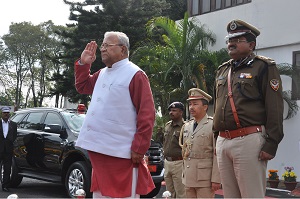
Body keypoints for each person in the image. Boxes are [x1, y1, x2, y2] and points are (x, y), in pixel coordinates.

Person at [74, 31, 155, 198]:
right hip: (99, 148)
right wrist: (83, 63)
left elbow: (146, 114)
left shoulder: (135, 74)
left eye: (107, 46)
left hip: (121, 152)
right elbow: (83, 87)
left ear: (122, 50)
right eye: (102, 45)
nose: (102, 49)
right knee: (99, 195)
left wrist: (139, 148)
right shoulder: (102, 73)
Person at [213, 19, 284, 198]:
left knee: (251, 195)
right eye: (229, 40)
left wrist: (271, 143)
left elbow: (274, 107)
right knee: (230, 195)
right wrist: (216, 140)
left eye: (237, 40)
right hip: (223, 141)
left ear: (251, 44)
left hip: (249, 139)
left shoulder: (263, 67)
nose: (231, 43)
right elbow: (218, 107)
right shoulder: (223, 70)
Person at [179, 88, 220, 198]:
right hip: (188, 177)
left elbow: (217, 154)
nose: (191, 107)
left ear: (205, 107)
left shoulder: (212, 125)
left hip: (204, 179)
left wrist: (216, 179)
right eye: (190, 104)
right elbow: (185, 152)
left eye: (195, 104)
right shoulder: (187, 126)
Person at [163, 101, 186, 198]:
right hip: (167, 162)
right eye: (170, 111)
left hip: (179, 162)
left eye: (174, 110)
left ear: (181, 112)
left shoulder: (185, 127)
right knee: (169, 193)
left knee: (181, 193)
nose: (171, 113)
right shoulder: (168, 125)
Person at [0, 106, 17, 192]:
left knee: (7, 169)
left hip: (8, 150)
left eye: (7, 113)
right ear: (1, 114)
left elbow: (14, 136)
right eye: (4, 113)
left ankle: (5, 185)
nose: (6, 114)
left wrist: (9, 144)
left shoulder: (13, 125)